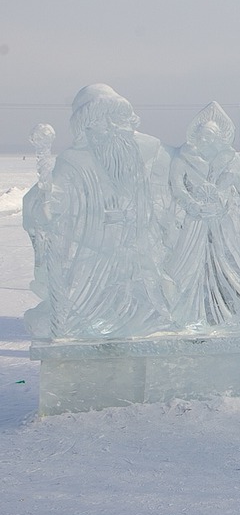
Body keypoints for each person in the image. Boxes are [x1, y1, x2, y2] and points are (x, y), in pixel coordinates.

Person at [21, 84, 174, 340]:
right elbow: (54, 198)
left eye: (118, 119)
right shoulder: (73, 161)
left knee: (146, 291)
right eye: (104, 121)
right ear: (88, 127)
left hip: (138, 244)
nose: (113, 127)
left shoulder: (146, 152)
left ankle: (143, 317)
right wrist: (45, 203)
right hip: (95, 247)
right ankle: (82, 319)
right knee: (83, 301)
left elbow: (172, 179)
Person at [163, 102, 240, 331]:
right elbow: (177, 188)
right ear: (196, 136)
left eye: (212, 136)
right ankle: (184, 315)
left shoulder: (231, 161)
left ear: (220, 137)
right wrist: (193, 205)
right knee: (185, 268)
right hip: (195, 223)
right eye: (203, 135)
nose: (207, 140)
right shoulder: (184, 158)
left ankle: (227, 314)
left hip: (221, 225)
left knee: (230, 268)